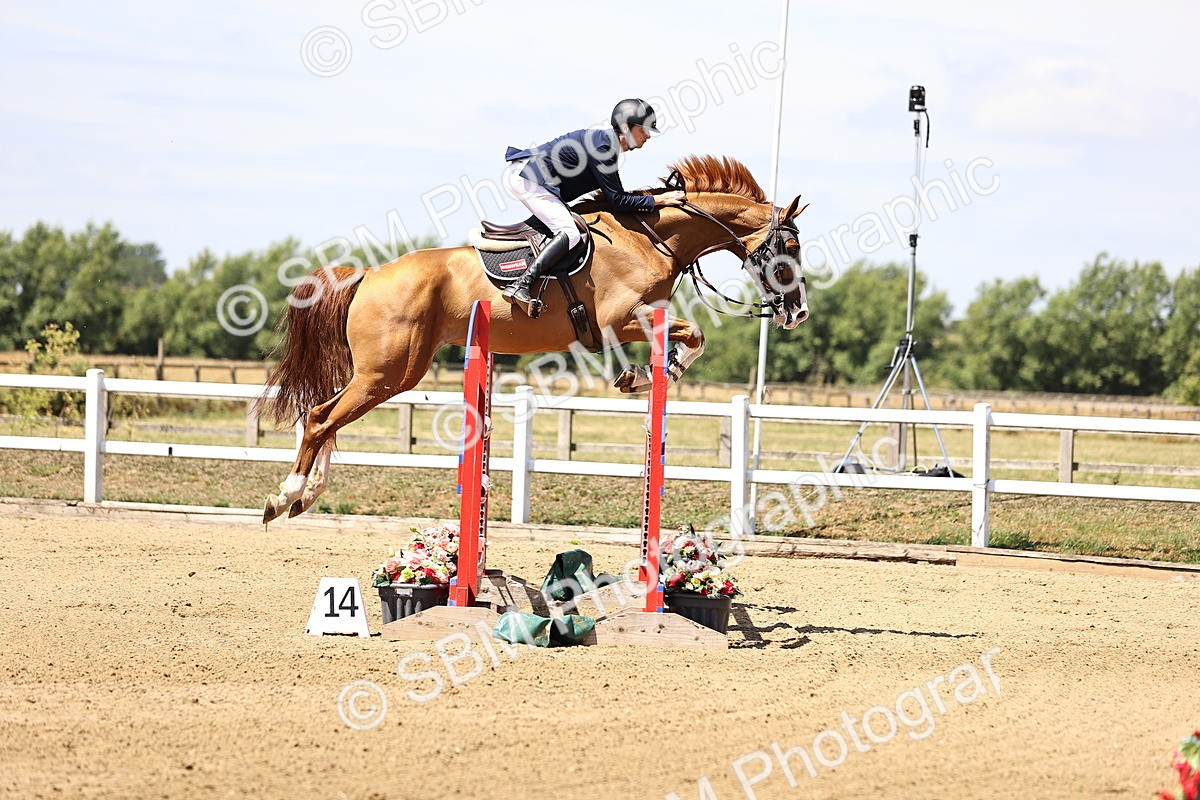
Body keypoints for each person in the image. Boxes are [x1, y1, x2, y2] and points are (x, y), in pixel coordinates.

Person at [500, 98, 686, 316]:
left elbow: (614, 198)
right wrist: (659, 200)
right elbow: (618, 200)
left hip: (532, 177)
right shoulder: (604, 148)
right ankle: (521, 284)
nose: (648, 136)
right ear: (626, 128)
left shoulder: (606, 145)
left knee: (565, 226)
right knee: (570, 233)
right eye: (644, 129)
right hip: (528, 177)